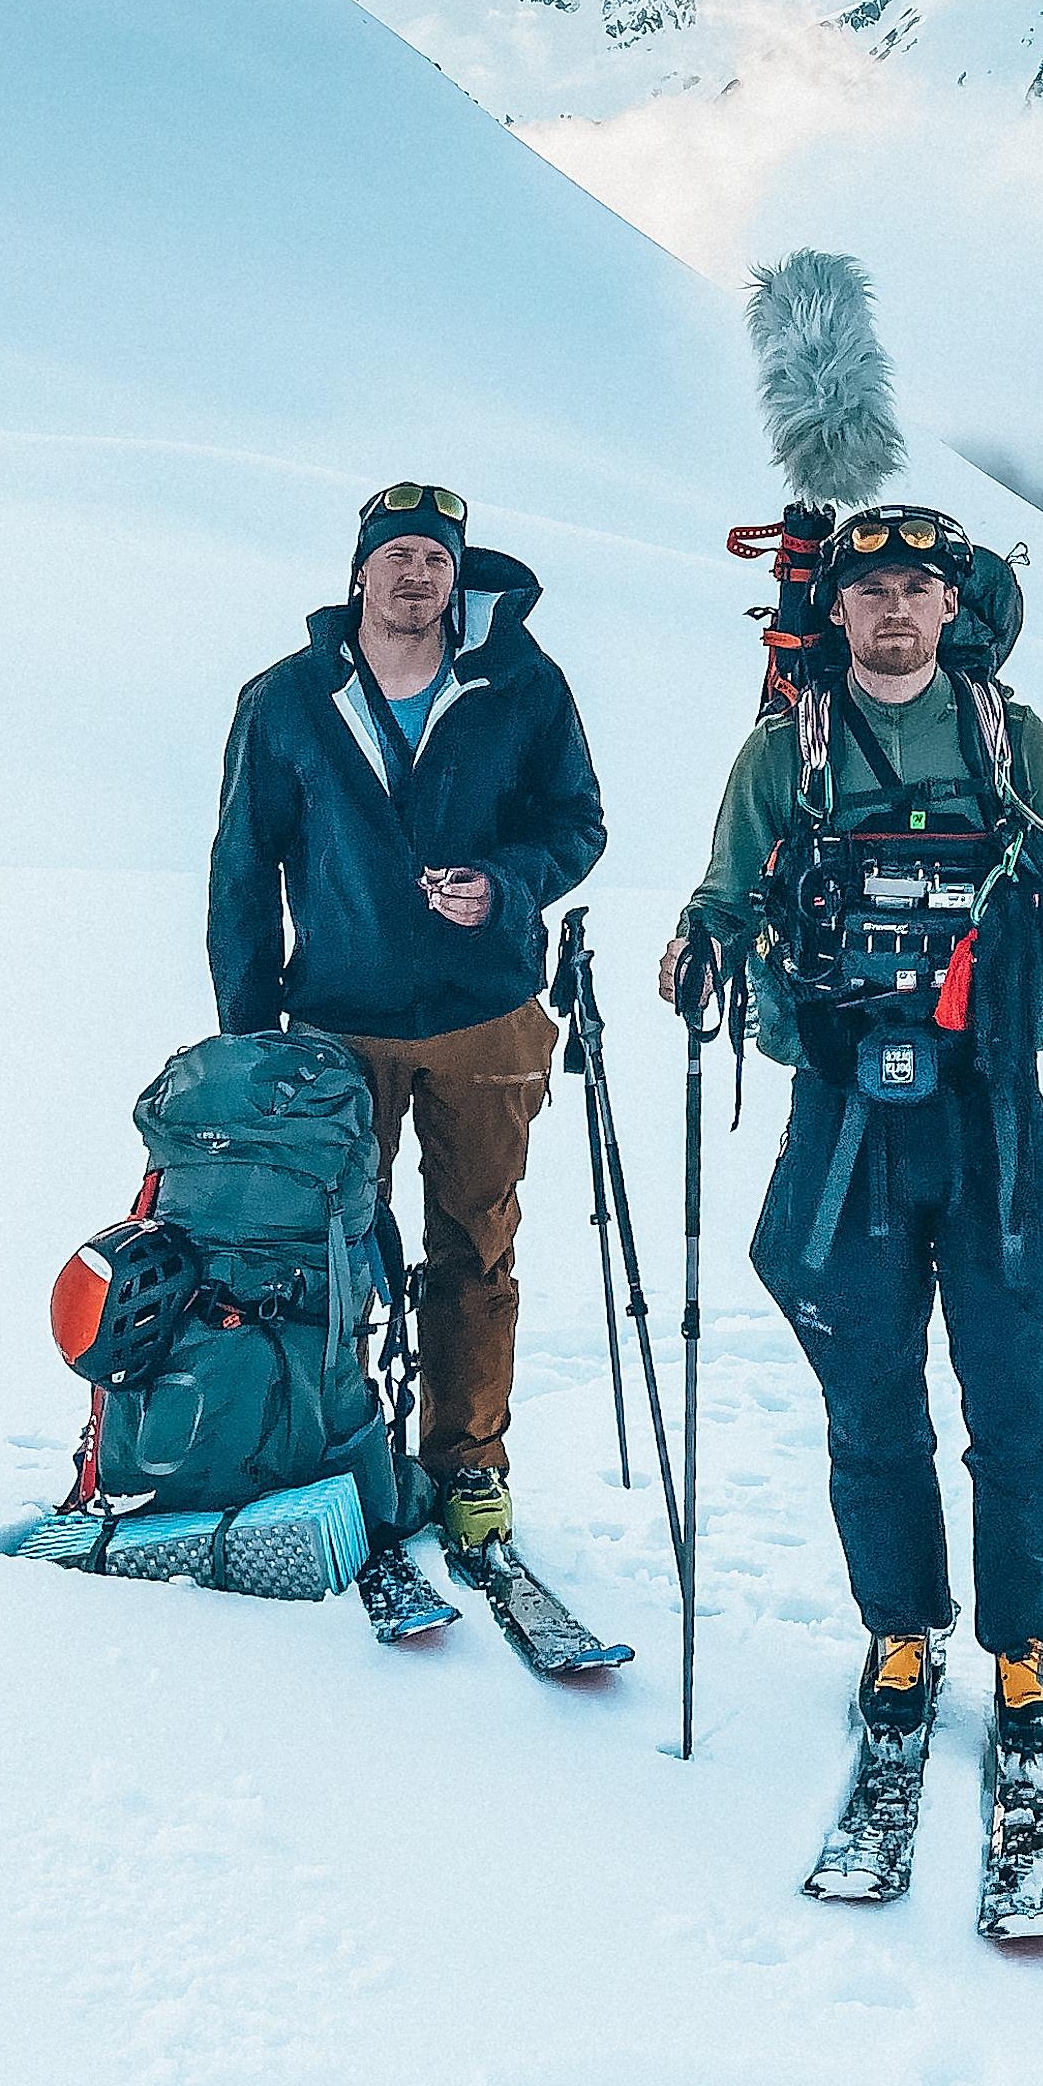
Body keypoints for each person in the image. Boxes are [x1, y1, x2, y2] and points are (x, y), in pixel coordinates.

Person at [668, 502, 1043, 1761]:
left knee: (1011, 1387)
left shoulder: (1013, 738)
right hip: (842, 1120)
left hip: (993, 1107)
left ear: (954, 607)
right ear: (835, 609)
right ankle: (899, 1624)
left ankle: (1024, 1643)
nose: (894, 606)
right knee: (870, 1386)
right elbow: (726, 887)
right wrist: (703, 945)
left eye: (918, 587)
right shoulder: (787, 748)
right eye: (870, 587)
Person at [208, 480, 606, 1550]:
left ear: (457, 572)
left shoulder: (520, 684)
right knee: (327, 1246)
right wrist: (250, 1042)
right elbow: (241, 874)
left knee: (474, 1247)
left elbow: (578, 821)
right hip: (337, 1025)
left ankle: (466, 1463)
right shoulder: (287, 699)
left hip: (486, 1018)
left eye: (436, 556)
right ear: (359, 572)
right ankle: (331, 1446)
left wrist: (507, 883)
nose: (418, 575)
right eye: (398, 556)